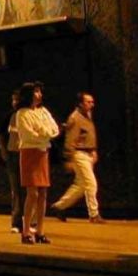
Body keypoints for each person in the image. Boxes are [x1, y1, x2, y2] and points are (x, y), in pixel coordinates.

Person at [13, 82, 60, 244]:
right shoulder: (22, 113)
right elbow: (28, 135)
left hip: (43, 153)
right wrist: (44, 135)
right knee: (32, 192)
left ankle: (40, 231)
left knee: (43, 193)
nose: (39, 94)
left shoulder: (43, 111)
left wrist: (44, 134)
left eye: (40, 91)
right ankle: (26, 231)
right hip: (30, 153)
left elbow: (54, 129)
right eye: (36, 91)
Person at [51, 92, 104, 223]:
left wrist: (94, 150)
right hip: (79, 154)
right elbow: (70, 140)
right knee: (91, 183)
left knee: (81, 185)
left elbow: (90, 135)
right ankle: (94, 214)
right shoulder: (75, 118)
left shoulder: (88, 115)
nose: (92, 104)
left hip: (88, 153)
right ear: (80, 103)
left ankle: (59, 206)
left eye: (92, 102)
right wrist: (69, 158)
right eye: (88, 102)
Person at [0, 89, 23, 233]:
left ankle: (33, 221)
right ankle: (16, 222)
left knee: (32, 191)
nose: (15, 103)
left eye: (17, 100)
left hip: (28, 155)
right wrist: (4, 154)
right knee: (16, 190)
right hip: (13, 156)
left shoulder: (31, 115)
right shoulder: (10, 116)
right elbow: (0, 134)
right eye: (13, 100)